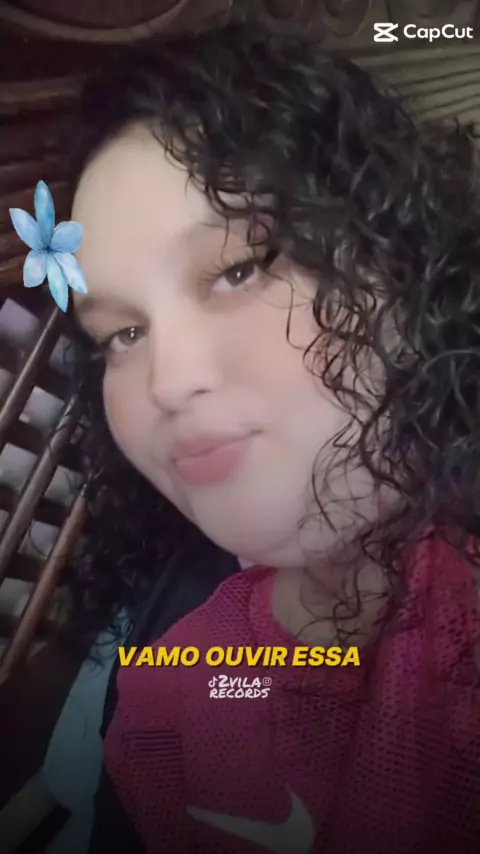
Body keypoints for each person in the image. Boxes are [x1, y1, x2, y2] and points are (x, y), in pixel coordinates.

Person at [65, 16, 480, 854]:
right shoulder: (174, 682)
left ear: (405, 264)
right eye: (122, 334)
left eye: (239, 269)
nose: (168, 381)